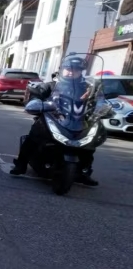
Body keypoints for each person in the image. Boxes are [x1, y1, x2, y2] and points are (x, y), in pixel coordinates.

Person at [10, 56, 98, 185]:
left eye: (76, 70)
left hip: (77, 122)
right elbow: (37, 95)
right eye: (68, 69)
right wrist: (36, 102)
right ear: (62, 69)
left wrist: (100, 107)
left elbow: (98, 101)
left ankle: (85, 171)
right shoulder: (51, 86)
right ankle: (21, 164)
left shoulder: (87, 88)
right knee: (33, 137)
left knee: (88, 146)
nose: (71, 72)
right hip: (52, 119)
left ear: (81, 72)